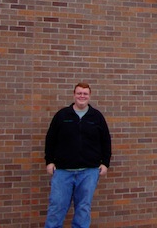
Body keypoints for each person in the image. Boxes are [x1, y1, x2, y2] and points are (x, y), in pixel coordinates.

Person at [44, 82, 112, 228]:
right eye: (79, 93)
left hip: (89, 172)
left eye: (85, 93)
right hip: (63, 172)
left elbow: (106, 141)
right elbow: (50, 139)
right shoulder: (62, 115)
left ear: (89, 96)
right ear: (74, 95)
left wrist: (105, 163)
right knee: (56, 209)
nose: (82, 96)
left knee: (83, 209)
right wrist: (49, 161)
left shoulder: (96, 117)